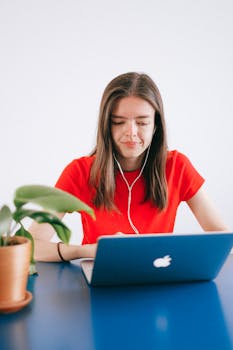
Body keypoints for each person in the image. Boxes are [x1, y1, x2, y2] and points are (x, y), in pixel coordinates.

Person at [30, 72, 228, 262]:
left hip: (157, 277)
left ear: (155, 126)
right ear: (106, 125)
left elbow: (224, 240)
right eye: (118, 122)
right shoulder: (80, 172)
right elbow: (31, 245)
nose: (131, 132)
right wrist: (87, 251)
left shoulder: (178, 166)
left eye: (142, 122)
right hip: (101, 280)